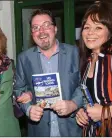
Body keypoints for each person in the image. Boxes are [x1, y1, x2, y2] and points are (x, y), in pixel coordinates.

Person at [13, 9, 83, 137]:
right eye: (36, 27)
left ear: (55, 29)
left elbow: (83, 85)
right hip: (39, 131)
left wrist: (73, 104)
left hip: (72, 130)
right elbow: (19, 89)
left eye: (46, 25)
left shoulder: (75, 53)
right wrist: (28, 108)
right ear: (32, 33)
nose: (41, 31)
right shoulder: (24, 58)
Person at [76, 1, 112, 137]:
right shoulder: (86, 61)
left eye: (98, 27)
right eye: (86, 27)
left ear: (110, 31)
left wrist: (105, 112)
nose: (90, 33)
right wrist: (82, 112)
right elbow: (91, 100)